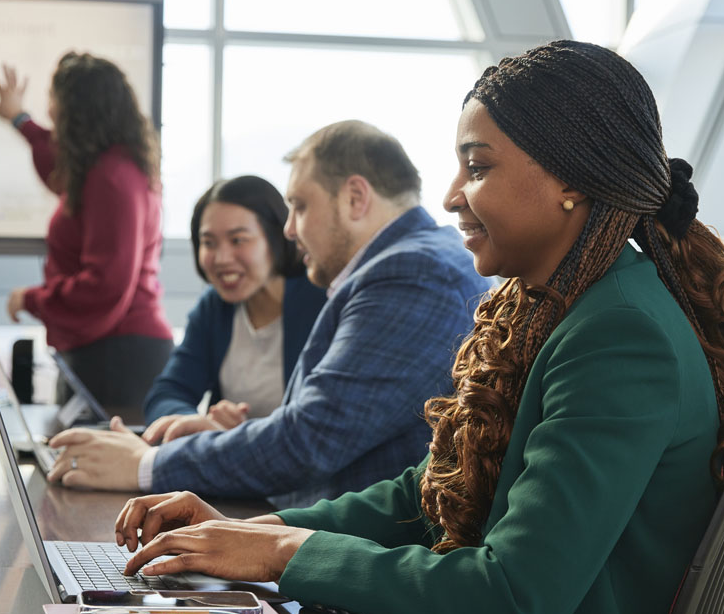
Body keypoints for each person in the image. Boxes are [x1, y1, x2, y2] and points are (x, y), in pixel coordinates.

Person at [110, 41, 724, 614]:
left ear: (571, 180)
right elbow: (428, 493)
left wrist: (286, 553)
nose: (452, 194)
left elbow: (513, 601)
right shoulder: (559, 305)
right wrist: (253, 533)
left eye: (479, 166)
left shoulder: (621, 335)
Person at [47, 120, 491, 505]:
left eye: (299, 205)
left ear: (356, 198)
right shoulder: (407, 263)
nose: (289, 228)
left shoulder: (411, 273)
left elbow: (310, 439)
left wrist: (148, 465)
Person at [0, 54, 173, 418]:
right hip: (110, 350)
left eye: (55, 101)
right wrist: (20, 121)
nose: (51, 112)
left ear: (78, 111)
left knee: (87, 469)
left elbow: (105, 284)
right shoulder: (106, 168)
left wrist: (33, 299)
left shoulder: (112, 179)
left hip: (118, 356)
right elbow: (54, 163)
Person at [141, 175, 327, 438]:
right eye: (208, 243)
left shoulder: (321, 300)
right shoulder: (214, 307)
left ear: (276, 238)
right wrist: (197, 423)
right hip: (232, 466)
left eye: (238, 240)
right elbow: (167, 393)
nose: (221, 258)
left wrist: (249, 433)